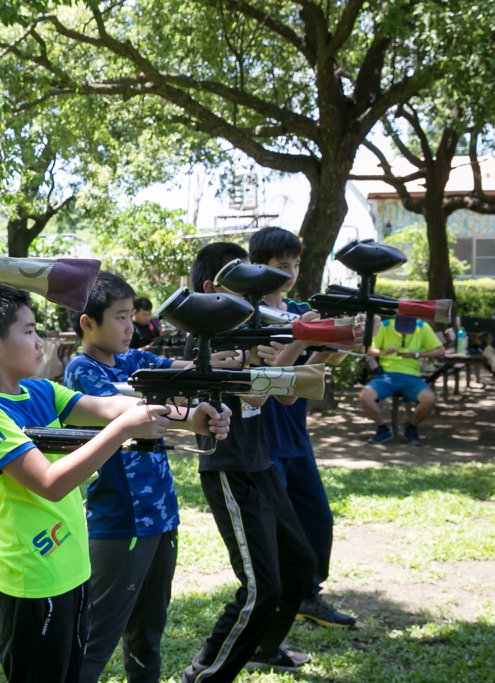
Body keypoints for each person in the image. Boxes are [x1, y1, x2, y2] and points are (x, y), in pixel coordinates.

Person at [0, 284, 230, 683]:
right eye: (30, 331)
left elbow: (107, 407)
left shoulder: (41, 390)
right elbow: (50, 482)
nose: (41, 342)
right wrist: (122, 429)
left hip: (74, 570)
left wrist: (189, 418)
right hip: (31, 584)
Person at [181, 242, 318, 682]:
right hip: (229, 469)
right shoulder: (210, 332)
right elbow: (256, 392)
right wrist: (298, 343)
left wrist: (318, 347)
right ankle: (202, 675)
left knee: (299, 568)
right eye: (246, 281)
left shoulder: (248, 326)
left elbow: (286, 391)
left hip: (259, 464)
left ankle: (263, 646)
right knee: (260, 589)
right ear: (213, 289)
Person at [62, 272, 192, 683]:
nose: (129, 326)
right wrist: (192, 416)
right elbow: (126, 410)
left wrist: (215, 369)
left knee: (148, 635)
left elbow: (181, 372)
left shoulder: (135, 361)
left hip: (161, 519)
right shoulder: (81, 372)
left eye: (130, 316)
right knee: (97, 638)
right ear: (88, 323)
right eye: (119, 317)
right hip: (120, 522)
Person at [248, 227, 357, 629]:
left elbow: (319, 372)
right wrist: (300, 337)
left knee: (318, 521)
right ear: (257, 267)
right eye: (281, 266)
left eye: (294, 265)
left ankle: (309, 596)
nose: (290, 273)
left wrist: (336, 346)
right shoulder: (247, 316)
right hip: (263, 441)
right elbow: (271, 385)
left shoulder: (298, 308)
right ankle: (274, 608)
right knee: (278, 534)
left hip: (297, 436)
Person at [359, 315, 445, 446]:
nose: (404, 331)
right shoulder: (385, 325)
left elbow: (440, 350)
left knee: (429, 399)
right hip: (386, 376)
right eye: (401, 328)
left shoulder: (422, 326)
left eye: (408, 328)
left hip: (412, 376)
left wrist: (417, 354)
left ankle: (411, 429)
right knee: (365, 396)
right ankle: (383, 430)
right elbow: (367, 348)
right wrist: (382, 352)